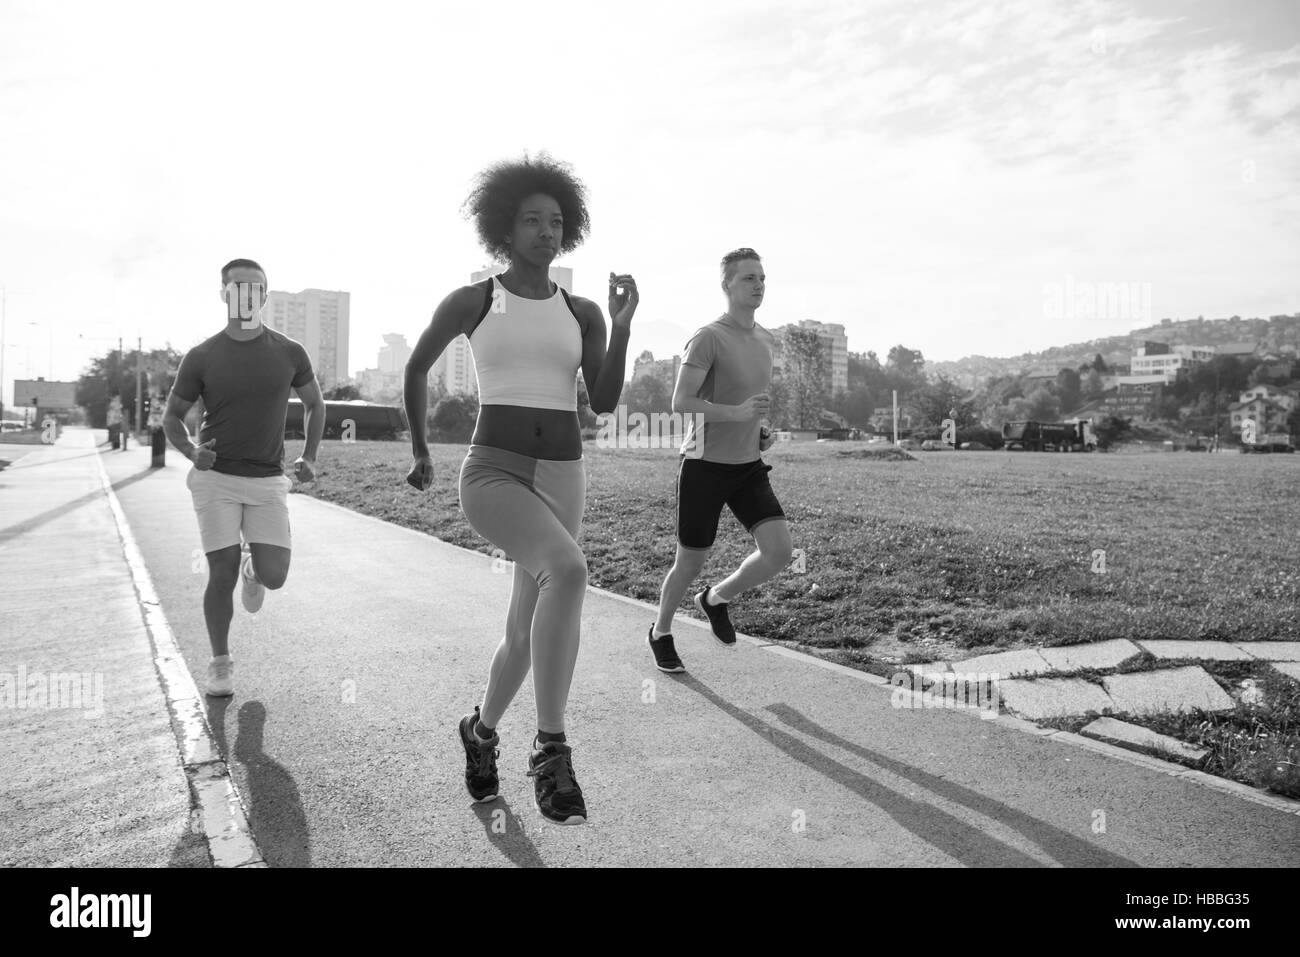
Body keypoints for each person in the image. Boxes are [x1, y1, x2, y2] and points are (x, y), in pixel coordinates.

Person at [404, 154, 635, 825]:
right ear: (505, 226)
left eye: (555, 220)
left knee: (522, 632)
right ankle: (551, 749)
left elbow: (609, 398)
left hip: (564, 474)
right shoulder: (475, 299)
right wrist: (421, 448)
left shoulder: (581, 310)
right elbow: (417, 368)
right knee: (568, 569)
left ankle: (479, 731)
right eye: (531, 219)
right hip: (494, 473)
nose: (544, 230)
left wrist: (621, 324)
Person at [162, 258, 326, 697]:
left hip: (268, 479)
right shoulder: (202, 356)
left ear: (265, 296)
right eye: (238, 287)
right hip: (216, 479)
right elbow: (172, 418)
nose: (247, 294)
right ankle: (220, 663)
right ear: (224, 294)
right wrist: (192, 453)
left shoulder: (289, 352)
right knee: (221, 572)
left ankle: (255, 570)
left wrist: (309, 455)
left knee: (275, 576)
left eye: (256, 288)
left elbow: (315, 404)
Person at [647, 247, 792, 674]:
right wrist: (737, 414)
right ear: (727, 284)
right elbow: (681, 402)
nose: (758, 284)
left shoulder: (767, 340)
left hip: (747, 466)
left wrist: (761, 430)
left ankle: (715, 599)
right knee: (690, 561)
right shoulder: (708, 337)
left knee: (780, 552)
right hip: (704, 464)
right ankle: (661, 632)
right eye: (748, 278)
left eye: (762, 277)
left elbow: (754, 405)